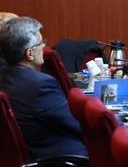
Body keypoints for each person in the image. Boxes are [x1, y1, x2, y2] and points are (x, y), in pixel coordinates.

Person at [0, 17, 87, 159]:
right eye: (40, 43)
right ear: (29, 54)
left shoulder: (5, 74)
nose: (44, 46)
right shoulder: (40, 85)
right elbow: (76, 125)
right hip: (63, 159)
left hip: (30, 154)